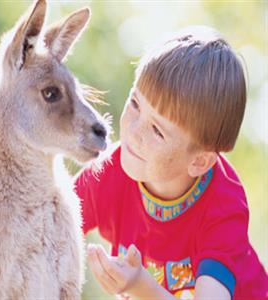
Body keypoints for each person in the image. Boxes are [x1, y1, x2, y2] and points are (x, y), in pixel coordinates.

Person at [74, 26, 268, 299]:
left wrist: (142, 286)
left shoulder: (224, 207)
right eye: (135, 104)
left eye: (157, 130)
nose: (134, 131)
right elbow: (43, 216)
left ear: (200, 161)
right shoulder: (108, 174)